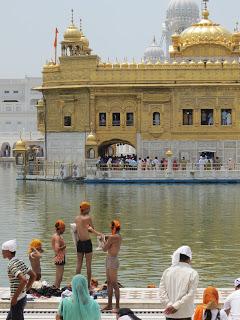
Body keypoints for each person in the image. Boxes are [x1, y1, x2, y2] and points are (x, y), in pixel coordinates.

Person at [89, 220, 122, 312]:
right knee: (109, 283)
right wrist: (93, 230)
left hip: (112, 260)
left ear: (114, 228)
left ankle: (118, 306)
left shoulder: (113, 237)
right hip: (109, 259)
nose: (111, 229)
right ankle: (109, 305)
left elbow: (104, 249)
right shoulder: (116, 236)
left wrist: (102, 241)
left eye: (112, 227)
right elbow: (102, 235)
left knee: (114, 283)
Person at [159, 245, 199, 320]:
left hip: (169, 313)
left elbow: (161, 292)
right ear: (189, 259)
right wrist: (176, 306)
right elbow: (190, 294)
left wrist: (170, 305)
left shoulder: (167, 271)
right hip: (185, 314)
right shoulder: (193, 273)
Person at [2, 239, 36, 320]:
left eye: (3, 250)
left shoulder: (11, 264)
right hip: (22, 298)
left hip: (17, 300)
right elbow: (33, 276)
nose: (2, 252)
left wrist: (14, 298)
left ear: (9, 251)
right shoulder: (19, 261)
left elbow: (24, 280)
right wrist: (25, 289)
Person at [75, 201, 94, 289]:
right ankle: (88, 285)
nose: (90, 210)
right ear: (86, 209)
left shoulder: (76, 218)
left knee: (79, 264)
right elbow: (92, 229)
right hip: (87, 242)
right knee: (88, 264)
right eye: (89, 208)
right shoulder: (88, 218)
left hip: (79, 243)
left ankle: (76, 284)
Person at [52, 219, 66, 288]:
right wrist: (64, 247)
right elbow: (57, 249)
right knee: (59, 276)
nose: (64, 230)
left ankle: (56, 288)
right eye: (63, 229)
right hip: (59, 257)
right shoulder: (57, 237)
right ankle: (56, 288)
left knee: (60, 276)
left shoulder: (57, 235)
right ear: (60, 228)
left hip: (60, 257)